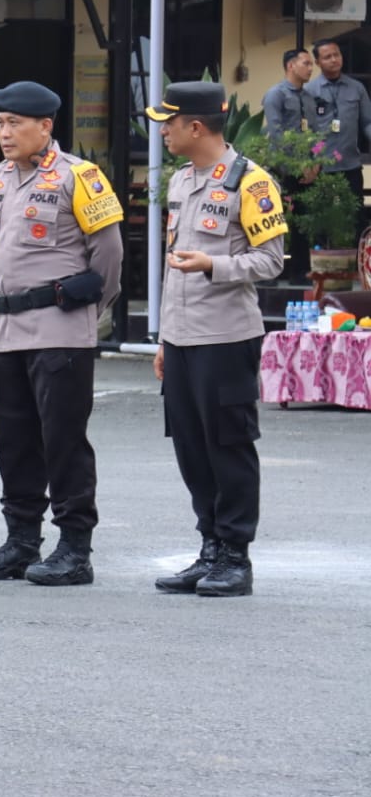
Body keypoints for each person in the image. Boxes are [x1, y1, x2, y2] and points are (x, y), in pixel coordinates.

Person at [0, 80, 122, 587]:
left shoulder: (80, 177)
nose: (5, 133)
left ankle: (74, 548)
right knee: (13, 442)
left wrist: (85, 313)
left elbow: (109, 257)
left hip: (59, 332)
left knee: (63, 443)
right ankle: (21, 541)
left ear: (45, 126)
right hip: (6, 331)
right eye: (0, 123)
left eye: (15, 123)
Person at [149, 81, 285, 597]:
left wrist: (215, 264)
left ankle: (235, 555)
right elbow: (171, 268)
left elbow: (271, 260)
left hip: (227, 337)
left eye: (170, 122)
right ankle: (209, 546)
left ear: (196, 126)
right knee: (191, 448)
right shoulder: (183, 182)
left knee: (228, 446)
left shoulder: (251, 183)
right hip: (184, 340)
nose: (163, 131)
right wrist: (164, 339)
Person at [261, 50, 321, 282]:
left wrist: (315, 164)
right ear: (290, 66)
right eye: (305, 63)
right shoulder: (275, 95)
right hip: (283, 169)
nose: (310, 68)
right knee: (277, 221)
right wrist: (297, 166)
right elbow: (276, 135)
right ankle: (271, 271)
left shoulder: (308, 97)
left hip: (308, 171)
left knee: (304, 222)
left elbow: (316, 134)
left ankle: (300, 271)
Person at [306, 40, 371, 230]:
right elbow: (305, 131)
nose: (334, 60)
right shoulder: (309, 91)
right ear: (318, 62)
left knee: (356, 217)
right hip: (321, 167)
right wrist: (311, 159)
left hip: (350, 164)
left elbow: (367, 122)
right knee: (321, 219)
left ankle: (356, 257)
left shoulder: (356, 88)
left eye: (337, 55)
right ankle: (321, 257)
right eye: (327, 57)